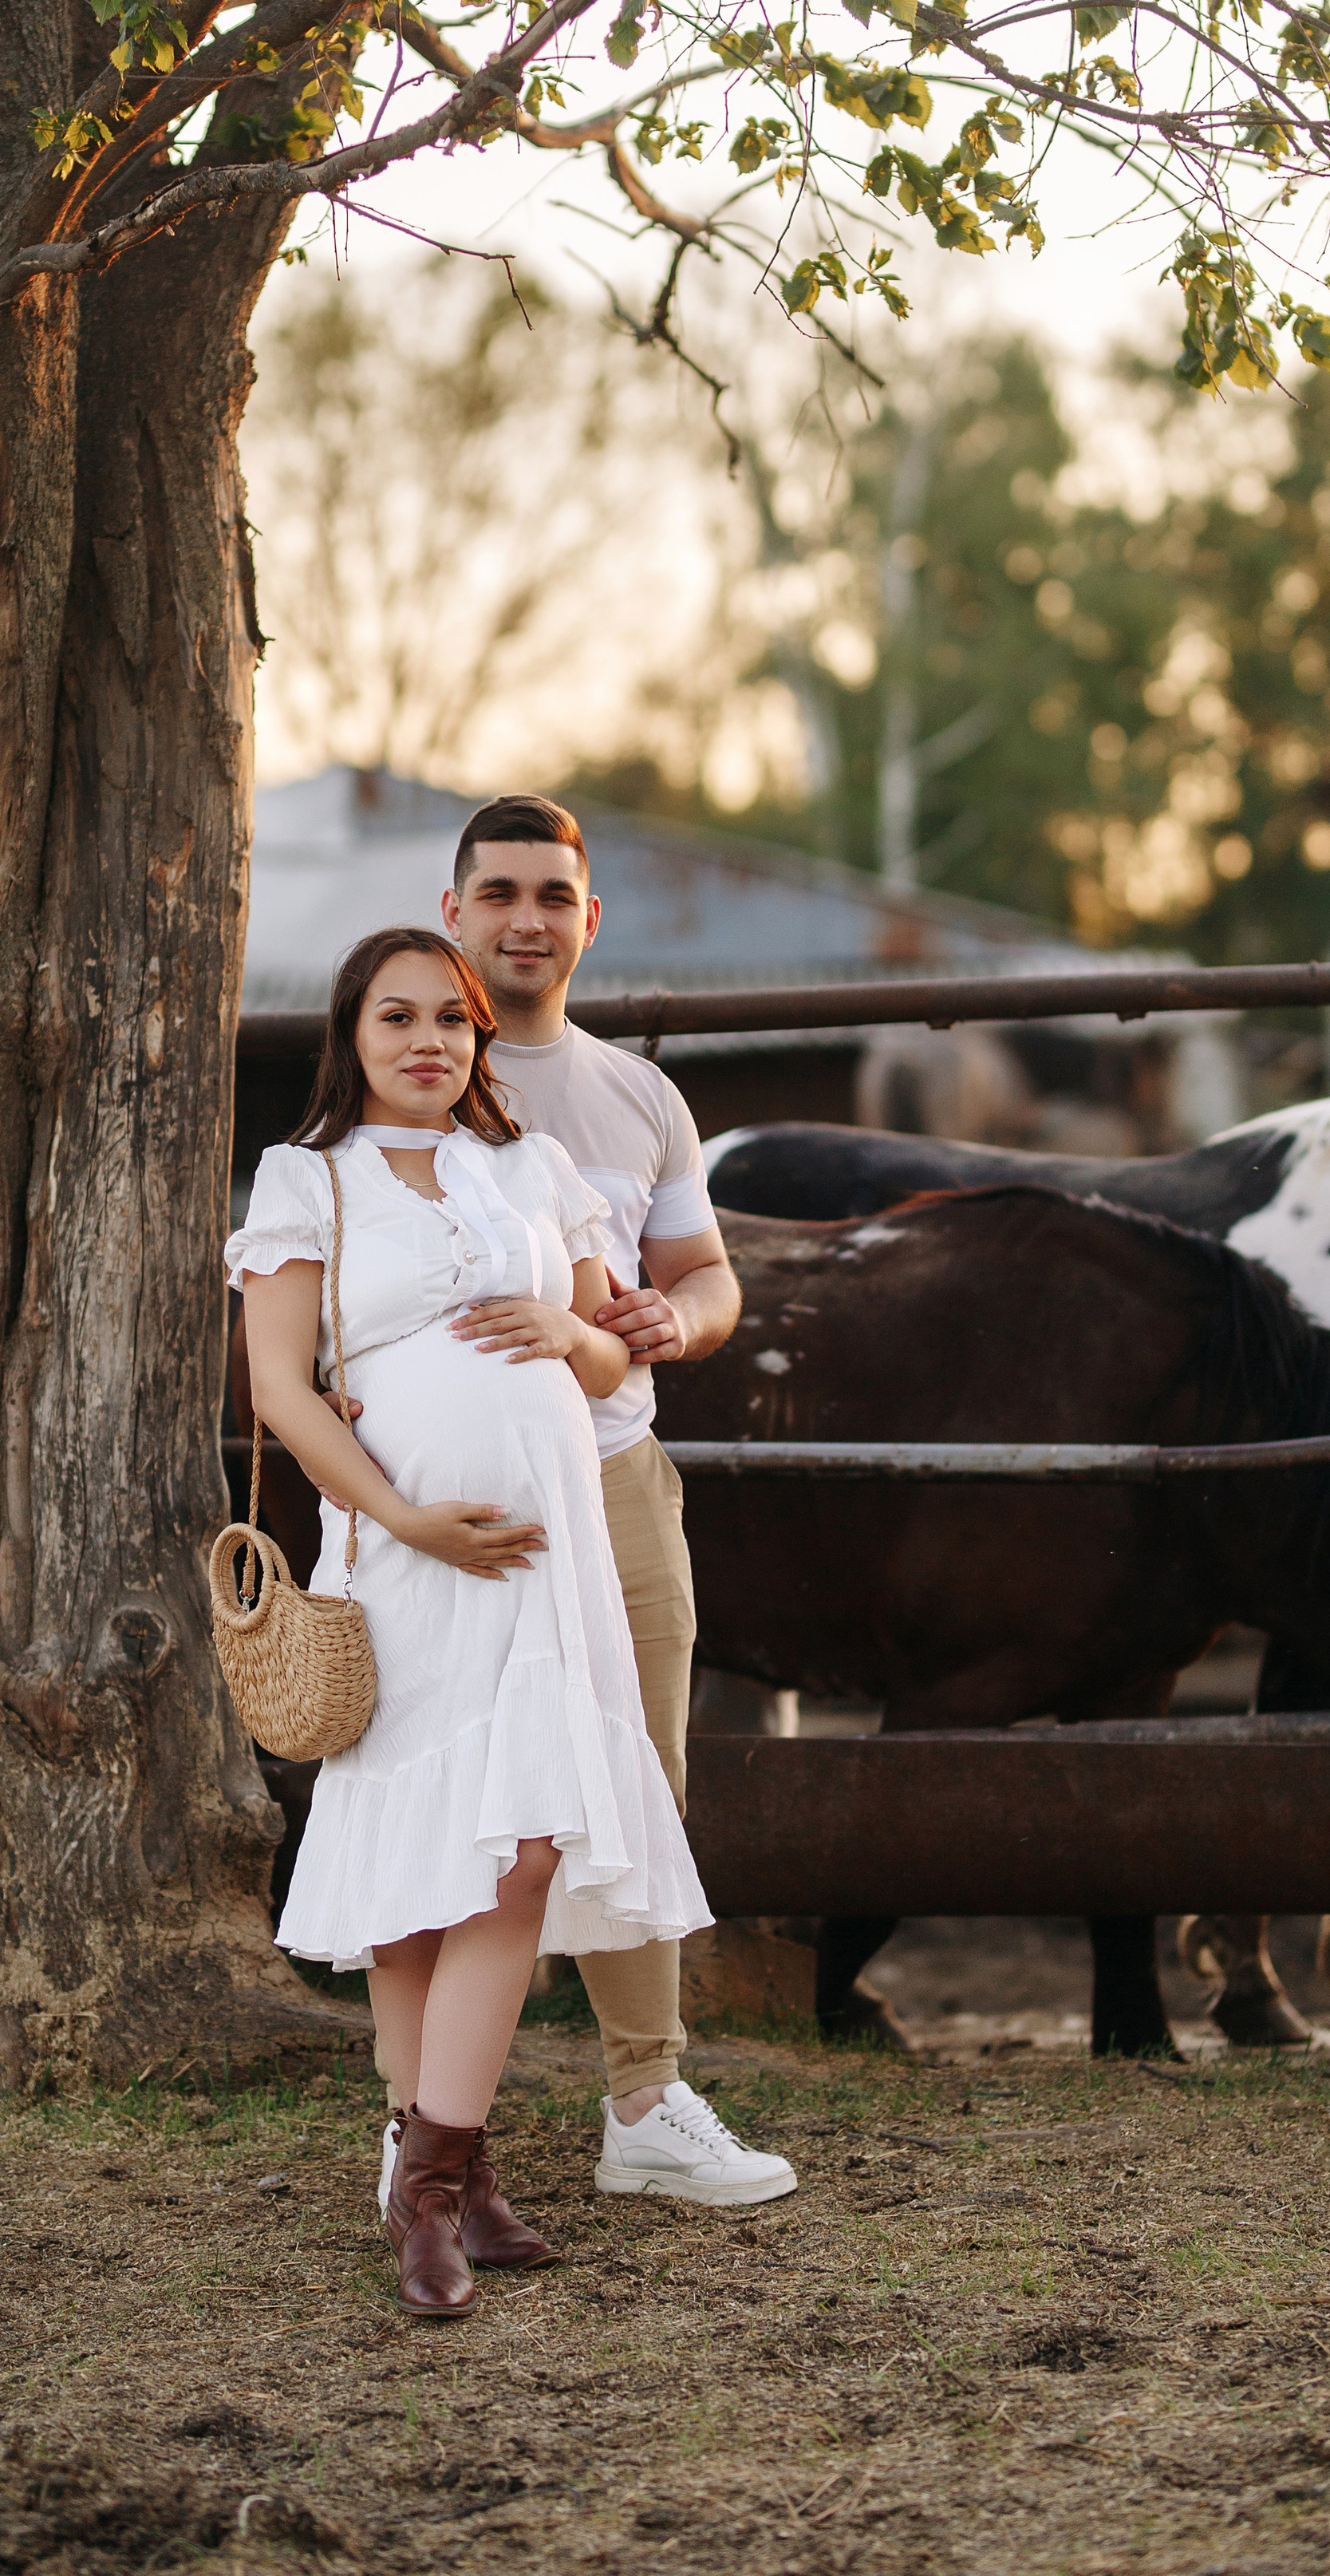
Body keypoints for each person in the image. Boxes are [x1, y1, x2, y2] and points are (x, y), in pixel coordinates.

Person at [229, 924, 711, 2320]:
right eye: (400, 1017)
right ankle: (450, 2176)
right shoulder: (305, 1179)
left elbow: (612, 1346)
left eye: (453, 1018)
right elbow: (282, 1388)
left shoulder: (528, 1168)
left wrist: (580, 1338)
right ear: (354, 1033)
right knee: (418, 1883)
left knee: (519, 1853)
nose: (431, 1038)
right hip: (408, 1554)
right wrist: (413, 1515)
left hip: (546, 1556)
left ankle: (429, 2182)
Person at [438, 792, 799, 2209]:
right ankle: (422, 2120)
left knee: (640, 1769)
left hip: (620, 1473)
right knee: (453, 1770)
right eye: (500, 893)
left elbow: (709, 1278)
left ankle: (646, 2095)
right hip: (468, 1490)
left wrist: (678, 1323)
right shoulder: (415, 1069)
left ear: (590, 919)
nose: (527, 919)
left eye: (552, 895)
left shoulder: (640, 1096)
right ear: (456, 909)